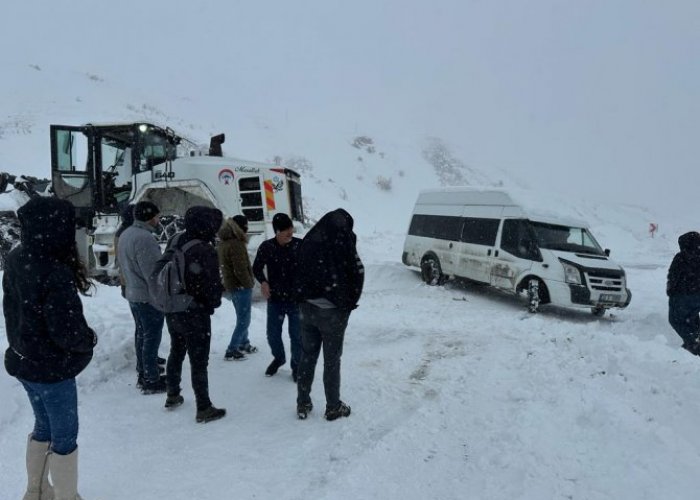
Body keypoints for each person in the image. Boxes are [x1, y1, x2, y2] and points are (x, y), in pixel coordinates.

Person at [3, 197, 97, 500]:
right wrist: (88, 340)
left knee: (43, 425)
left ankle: (37, 489)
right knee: (65, 436)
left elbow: (12, 309)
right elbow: (67, 330)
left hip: (24, 360)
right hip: (51, 369)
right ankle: (66, 497)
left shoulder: (17, 258)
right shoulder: (54, 270)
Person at [295, 208, 364, 420]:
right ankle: (333, 406)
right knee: (331, 360)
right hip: (333, 312)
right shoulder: (343, 241)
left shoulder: (309, 240)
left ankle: (302, 402)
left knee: (307, 355)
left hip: (306, 308)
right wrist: (348, 302)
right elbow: (357, 272)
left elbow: (297, 270)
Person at [163, 206, 227, 423]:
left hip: (173, 307)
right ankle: (204, 406)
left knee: (177, 350)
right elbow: (211, 287)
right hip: (194, 311)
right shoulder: (204, 249)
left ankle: (172, 394)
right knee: (199, 361)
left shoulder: (175, 240)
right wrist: (212, 302)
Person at [116, 200, 166, 394]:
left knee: (141, 334)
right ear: (149, 217)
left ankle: (143, 371)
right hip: (147, 297)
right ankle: (150, 379)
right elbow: (153, 273)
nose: (159, 219)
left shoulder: (126, 234)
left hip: (133, 293)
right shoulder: (144, 238)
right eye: (156, 216)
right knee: (151, 337)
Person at [253, 213, 302, 379]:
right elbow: (256, 268)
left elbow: (313, 267)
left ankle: (297, 366)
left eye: (291, 228)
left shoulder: (300, 246)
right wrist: (264, 282)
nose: (290, 232)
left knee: (297, 336)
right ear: (277, 231)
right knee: (272, 334)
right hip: (275, 300)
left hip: (296, 301)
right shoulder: (267, 247)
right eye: (285, 229)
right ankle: (279, 358)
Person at [218, 214, 257, 360]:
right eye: (246, 225)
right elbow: (240, 269)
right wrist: (249, 283)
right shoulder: (236, 244)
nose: (247, 228)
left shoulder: (224, 242)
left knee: (241, 316)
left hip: (232, 285)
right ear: (240, 227)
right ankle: (232, 349)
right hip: (241, 286)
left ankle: (243, 343)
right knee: (244, 320)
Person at [667, 231, 700, 355]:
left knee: (675, 320)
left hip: (682, 295)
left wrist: (670, 290)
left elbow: (673, 275)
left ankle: (693, 343)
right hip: (697, 296)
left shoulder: (681, 257)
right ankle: (694, 341)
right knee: (692, 319)